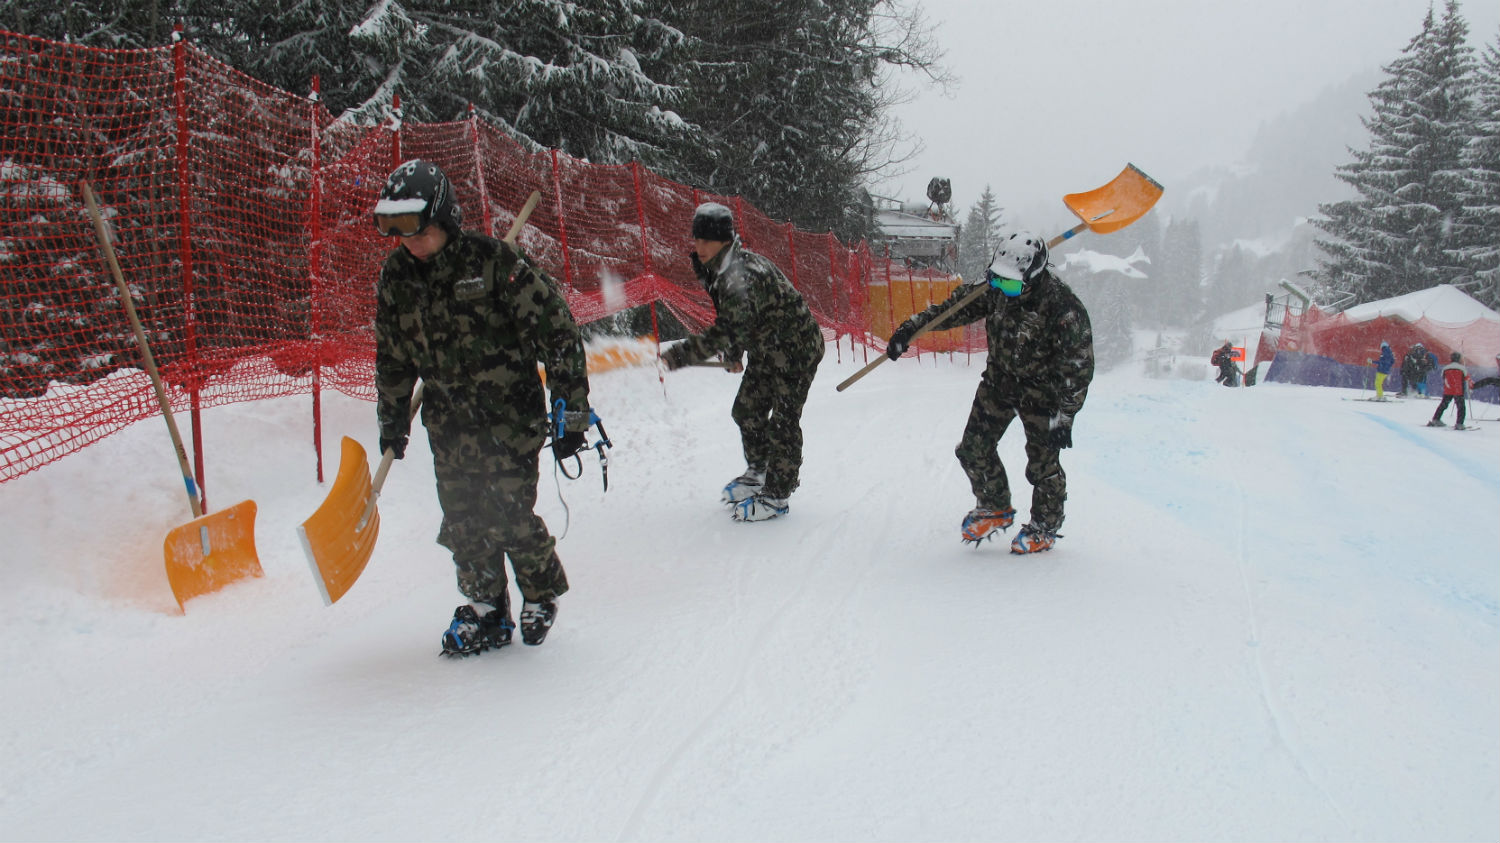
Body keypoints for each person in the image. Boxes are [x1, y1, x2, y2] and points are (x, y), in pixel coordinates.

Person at [373, 159, 591, 656]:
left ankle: (540, 593)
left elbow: (557, 333)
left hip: (510, 420)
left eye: (419, 231)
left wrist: (571, 412)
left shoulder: (495, 264)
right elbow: (392, 356)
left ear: (444, 220)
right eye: (398, 233)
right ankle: (485, 607)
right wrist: (391, 422)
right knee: (463, 519)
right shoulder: (397, 278)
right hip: (449, 426)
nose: (409, 243)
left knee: (509, 513)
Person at [886, 230, 1094, 554]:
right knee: (972, 449)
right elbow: (952, 309)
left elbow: (1078, 369)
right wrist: (912, 329)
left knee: (1043, 464)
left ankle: (1045, 526)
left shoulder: (1064, 309)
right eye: (997, 282)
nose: (1002, 291)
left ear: (1034, 277)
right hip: (999, 382)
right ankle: (994, 506)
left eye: (1010, 285)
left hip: (1043, 392)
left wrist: (1064, 418)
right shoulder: (995, 288)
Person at [659, 203, 825, 521]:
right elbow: (736, 320)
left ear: (724, 240)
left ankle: (777, 494)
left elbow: (728, 327)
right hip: (766, 346)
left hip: (797, 349)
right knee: (746, 410)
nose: (700, 247)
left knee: (783, 422)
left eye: (708, 240)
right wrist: (734, 355)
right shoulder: (719, 268)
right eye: (697, 239)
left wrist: (679, 355)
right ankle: (759, 472)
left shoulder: (741, 275)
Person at [1427, 351, 1470, 429]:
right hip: (1458, 390)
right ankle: (1459, 423)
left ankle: (1436, 419)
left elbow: (1443, 377)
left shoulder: (1446, 368)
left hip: (1448, 390)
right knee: (1461, 407)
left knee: (1443, 405)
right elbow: (1467, 378)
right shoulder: (1462, 368)